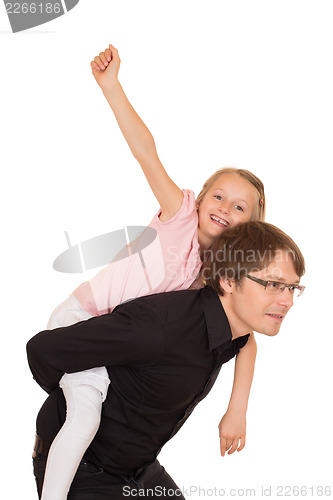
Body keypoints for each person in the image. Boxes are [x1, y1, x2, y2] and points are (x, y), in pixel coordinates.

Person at [41, 44, 266, 499]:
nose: (224, 208)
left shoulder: (219, 275)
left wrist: (236, 408)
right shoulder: (177, 217)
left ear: (251, 227)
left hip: (125, 350)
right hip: (84, 322)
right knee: (84, 416)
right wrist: (112, 87)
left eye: (239, 207)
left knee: (119, 420)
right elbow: (146, 152)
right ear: (199, 200)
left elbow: (247, 339)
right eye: (218, 196)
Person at [27, 221, 305, 500]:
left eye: (293, 288)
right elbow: (43, 349)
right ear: (229, 281)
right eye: (273, 284)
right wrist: (75, 391)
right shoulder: (158, 329)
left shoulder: (235, 330)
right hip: (83, 468)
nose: (288, 301)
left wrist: (237, 410)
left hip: (139, 468)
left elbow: (247, 345)